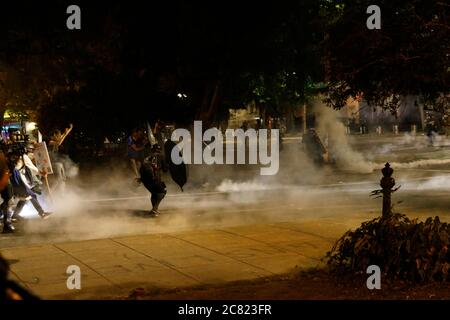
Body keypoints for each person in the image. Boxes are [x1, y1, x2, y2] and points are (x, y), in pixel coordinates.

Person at [9, 152, 51, 221]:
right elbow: (32, 167)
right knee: (31, 195)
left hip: (11, 179)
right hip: (18, 179)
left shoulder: (11, 155)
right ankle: (42, 213)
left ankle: (15, 215)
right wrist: (41, 173)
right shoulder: (24, 156)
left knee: (25, 198)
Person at [139, 144, 168, 216]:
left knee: (154, 193)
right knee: (162, 192)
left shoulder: (147, 157)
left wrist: (141, 179)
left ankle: (155, 209)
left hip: (145, 180)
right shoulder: (161, 156)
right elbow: (165, 169)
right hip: (154, 178)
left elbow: (141, 168)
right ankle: (154, 209)